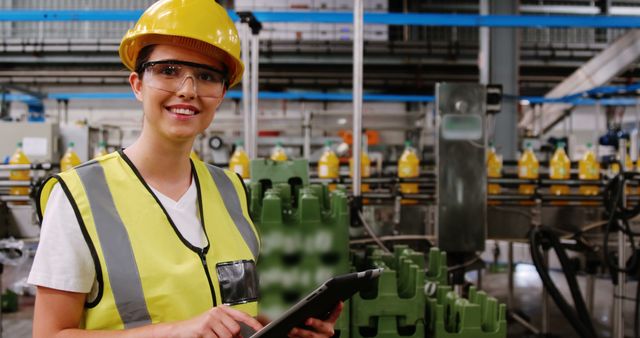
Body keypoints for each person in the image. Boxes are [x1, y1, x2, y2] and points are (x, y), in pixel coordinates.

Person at [28, 0, 342, 336]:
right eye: (168, 71)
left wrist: (278, 329)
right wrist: (176, 331)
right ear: (137, 84)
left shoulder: (231, 189)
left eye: (206, 76)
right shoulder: (80, 195)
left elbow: (228, 310)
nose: (188, 90)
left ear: (222, 93)